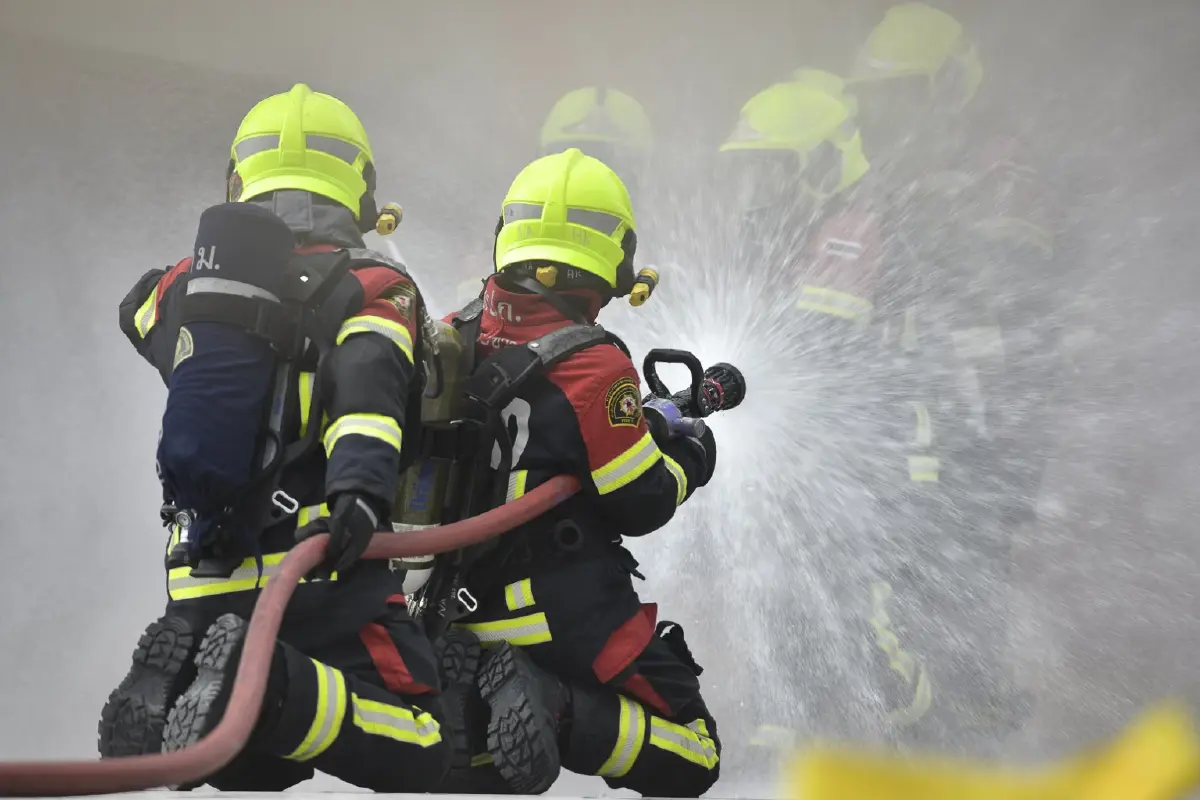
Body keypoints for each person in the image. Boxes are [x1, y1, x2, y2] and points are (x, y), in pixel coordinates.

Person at [102, 83, 504, 792]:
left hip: (201, 570)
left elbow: (137, 311)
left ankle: (200, 672)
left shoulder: (184, 287)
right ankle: (256, 682)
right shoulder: (378, 285)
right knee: (422, 738)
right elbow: (369, 389)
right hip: (317, 566)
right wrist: (360, 493)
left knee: (257, 770)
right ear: (360, 190)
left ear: (238, 180)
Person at [432, 147, 722, 797]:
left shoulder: (452, 334)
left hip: (456, 607)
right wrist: (691, 456)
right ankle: (556, 707)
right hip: (561, 615)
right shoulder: (596, 364)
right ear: (613, 261)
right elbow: (639, 502)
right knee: (696, 754)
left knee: (491, 761)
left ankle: (475, 700)